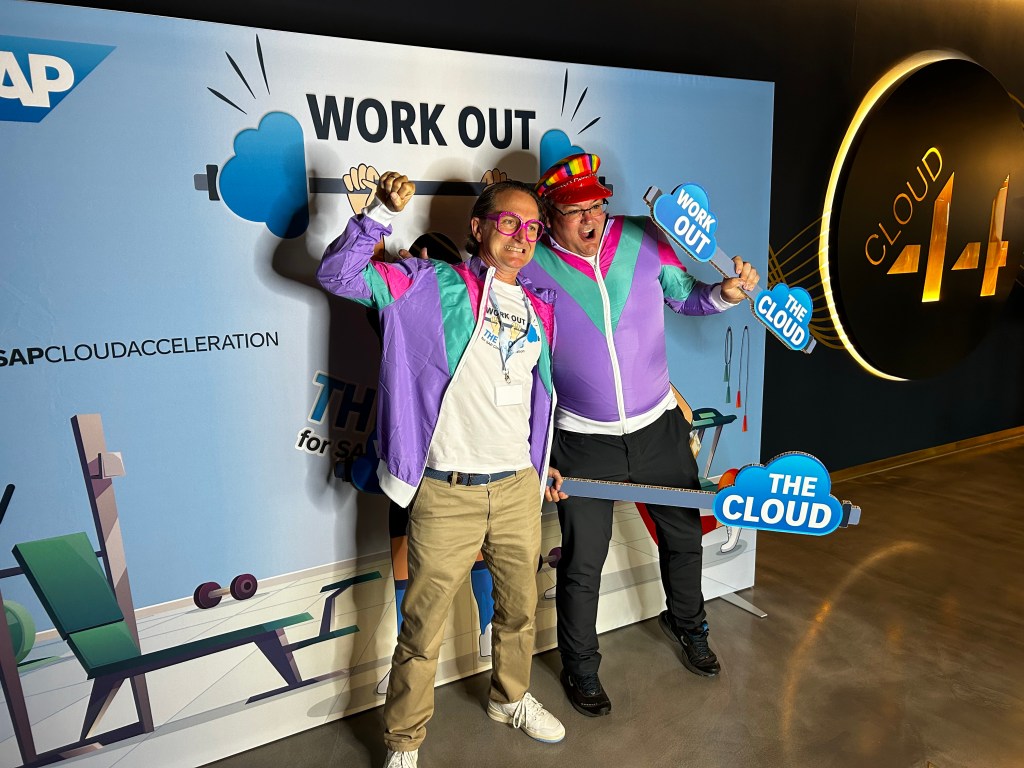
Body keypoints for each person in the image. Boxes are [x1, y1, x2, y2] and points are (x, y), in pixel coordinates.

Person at [317, 172, 565, 768]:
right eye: (509, 222)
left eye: (532, 228)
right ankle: (404, 741)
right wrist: (378, 214)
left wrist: (542, 463)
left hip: (517, 488)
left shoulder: (539, 306)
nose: (521, 237)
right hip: (448, 490)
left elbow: (532, 396)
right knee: (422, 627)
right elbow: (339, 275)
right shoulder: (429, 284)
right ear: (478, 227)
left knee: (519, 610)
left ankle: (510, 697)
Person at [519, 152, 760, 718]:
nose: (591, 218)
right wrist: (535, 450)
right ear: (549, 215)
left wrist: (724, 294)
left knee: (683, 539)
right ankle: (581, 667)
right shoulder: (527, 263)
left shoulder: (644, 237)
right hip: (582, 440)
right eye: (575, 210)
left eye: (597, 205)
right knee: (583, 564)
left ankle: (689, 625)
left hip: (658, 427)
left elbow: (684, 295)